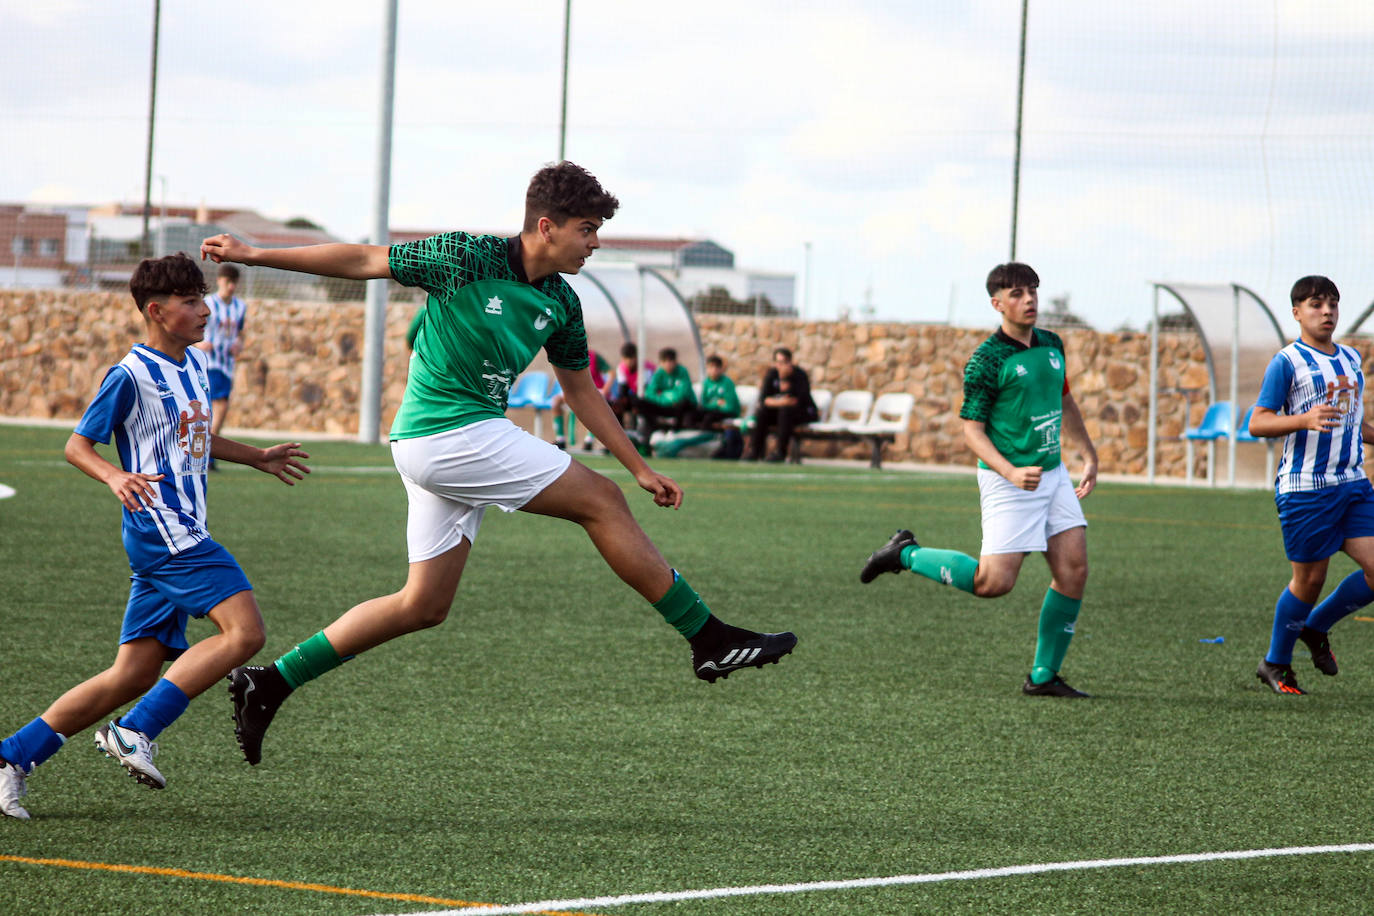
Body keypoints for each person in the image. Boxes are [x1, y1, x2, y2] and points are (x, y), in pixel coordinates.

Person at [199, 161, 796, 768]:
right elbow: (362, 260)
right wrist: (254, 254)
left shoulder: (561, 301)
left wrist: (639, 466)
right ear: (546, 225)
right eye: (587, 229)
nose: (596, 242)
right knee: (601, 502)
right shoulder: (465, 256)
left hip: (441, 443)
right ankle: (709, 637)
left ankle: (269, 682)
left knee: (423, 605)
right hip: (447, 432)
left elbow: (581, 389)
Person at [0, 254, 310, 819]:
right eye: (191, 301)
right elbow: (76, 446)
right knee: (245, 633)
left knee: (134, 672)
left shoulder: (192, 365)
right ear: (156, 312)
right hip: (163, 529)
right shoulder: (130, 374)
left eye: (202, 297)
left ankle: (12, 757)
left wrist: (257, 457)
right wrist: (116, 475)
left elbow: (196, 439)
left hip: (178, 532)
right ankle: (137, 729)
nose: (204, 309)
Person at [858, 262, 1098, 698]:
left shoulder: (1052, 345)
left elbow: (1065, 400)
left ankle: (1043, 676)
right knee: (994, 583)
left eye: (1033, 292)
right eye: (1018, 293)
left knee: (1073, 571)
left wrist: (1088, 453)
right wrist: (1009, 471)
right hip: (1009, 481)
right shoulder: (986, 361)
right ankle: (905, 554)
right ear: (997, 303)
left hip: (1053, 474)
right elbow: (971, 429)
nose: (1029, 300)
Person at [1249, 276, 1374, 695]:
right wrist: (1302, 419)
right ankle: (1275, 663)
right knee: (1309, 581)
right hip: (1306, 489)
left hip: (1354, 483)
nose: (1327, 311)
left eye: (1333, 303)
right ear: (1297, 312)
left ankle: (1316, 627)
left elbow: (1353, 419)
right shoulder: (1287, 362)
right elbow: (1258, 421)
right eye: (1316, 303)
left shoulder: (1351, 359)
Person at [194, 264, 249, 465]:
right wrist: (199, 343)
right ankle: (209, 450)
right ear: (219, 281)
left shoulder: (240, 307)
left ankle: (206, 448)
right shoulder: (207, 304)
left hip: (227, 364)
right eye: (228, 282)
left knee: (213, 409)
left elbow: (240, 333)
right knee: (220, 405)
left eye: (234, 283)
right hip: (209, 362)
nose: (231, 287)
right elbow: (191, 327)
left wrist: (238, 344)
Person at [747, 346, 818, 462]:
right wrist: (781, 401)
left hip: (802, 413)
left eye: (784, 362)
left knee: (785, 411)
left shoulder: (799, 375)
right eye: (779, 362)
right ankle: (755, 451)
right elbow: (765, 400)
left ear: (790, 362)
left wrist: (784, 383)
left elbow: (795, 401)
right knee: (762, 413)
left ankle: (780, 452)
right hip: (779, 412)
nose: (781, 366)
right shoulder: (771, 374)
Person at [551, 347, 611, 450]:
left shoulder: (593, 356)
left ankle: (589, 440)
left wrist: (605, 389)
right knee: (556, 401)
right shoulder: (567, 356)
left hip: (593, 389)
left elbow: (611, 373)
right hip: (575, 391)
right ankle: (560, 439)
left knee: (593, 404)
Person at [635, 347, 697, 439]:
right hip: (666, 405)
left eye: (670, 361)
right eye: (664, 361)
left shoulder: (682, 372)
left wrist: (664, 394)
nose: (667, 364)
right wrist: (665, 399)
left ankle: (676, 431)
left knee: (683, 403)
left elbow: (683, 393)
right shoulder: (659, 373)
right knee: (639, 402)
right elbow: (650, 393)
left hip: (680, 407)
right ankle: (656, 428)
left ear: (675, 361)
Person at [694, 355, 744, 459]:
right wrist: (717, 403)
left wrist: (715, 405)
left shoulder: (727, 383)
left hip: (727, 413)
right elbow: (704, 403)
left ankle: (711, 444)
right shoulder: (706, 383)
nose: (714, 370)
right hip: (713, 411)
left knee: (709, 417)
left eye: (716, 367)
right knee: (694, 414)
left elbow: (730, 406)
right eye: (711, 367)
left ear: (721, 369)